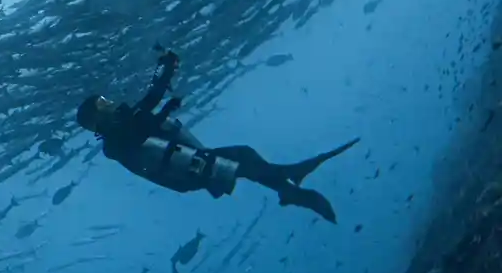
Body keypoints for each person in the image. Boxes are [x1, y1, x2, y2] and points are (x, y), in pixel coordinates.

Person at [76, 48, 356, 222]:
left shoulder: (121, 131)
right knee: (243, 157)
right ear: (96, 118)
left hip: (188, 164)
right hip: (185, 171)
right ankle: (289, 180)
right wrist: (166, 72)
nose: (110, 103)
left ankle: (289, 189)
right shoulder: (114, 141)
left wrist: (163, 107)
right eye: (102, 104)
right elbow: (144, 115)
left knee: (244, 162)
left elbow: (145, 121)